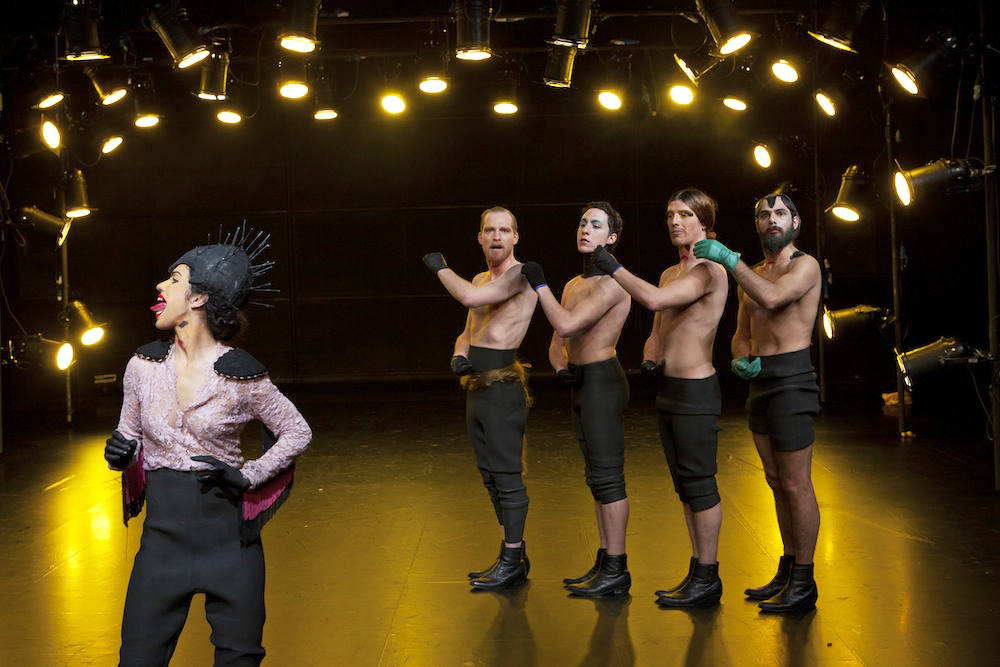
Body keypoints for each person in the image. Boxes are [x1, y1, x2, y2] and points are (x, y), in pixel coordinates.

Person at [105, 228, 312, 665]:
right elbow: (129, 434)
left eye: (174, 279)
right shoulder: (142, 366)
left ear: (198, 298)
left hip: (229, 547)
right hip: (161, 546)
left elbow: (296, 432)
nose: (161, 286)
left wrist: (249, 474)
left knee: (239, 658)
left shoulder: (241, 375)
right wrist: (121, 452)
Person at [591, 188, 729, 607]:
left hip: (696, 391)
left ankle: (709, 575)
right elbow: (657, 327)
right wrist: (651, 357)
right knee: (685, 488)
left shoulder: (709, 270)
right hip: (670, 390)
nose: (675, 222)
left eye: (685, 214)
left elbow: (652, 298)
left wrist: (613, 267)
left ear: (704, 222)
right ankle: (698, 570)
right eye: (670, 214)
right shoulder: (671, 271)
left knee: (701, 487)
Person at [693, 193, 822, 613]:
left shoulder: (804, 265)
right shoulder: (752, 274)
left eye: (780, 213)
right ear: (758, 224)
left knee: (796, 483)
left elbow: (773, 298)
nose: (772, 219)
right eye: (764, 214)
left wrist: (730, 261)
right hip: (762, 382)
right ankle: (788, 568)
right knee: (775, 480)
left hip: (793, 380)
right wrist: (739, 356)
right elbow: (742, 332)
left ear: (795, 223)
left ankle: (805, 580)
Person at [519, 201, 632, 597]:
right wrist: (560, 366)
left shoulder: (614, 284)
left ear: (611, 238)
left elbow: (566, 323)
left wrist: (539, 286)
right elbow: (558, 342)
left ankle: (617, 567)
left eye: (596, 225)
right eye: (583, 222)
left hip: (604, 382)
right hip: (583, 382)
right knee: (595, 478)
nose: (585, 229)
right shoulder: (572, 285)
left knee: (609, 477)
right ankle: (605, 561)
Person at [422, 206, 538, 590]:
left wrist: (441, 268)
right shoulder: (479, 278)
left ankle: (512, 559)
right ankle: (512, 555)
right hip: (478, 388)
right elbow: (468, 330)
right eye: (490, 230)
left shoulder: (522, 275)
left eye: (504, 230)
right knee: (490, 477)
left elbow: (471, 299)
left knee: (507, 476)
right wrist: (459, 355)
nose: (496, 236)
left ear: (515, 237)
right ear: (480, 237)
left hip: (504, 390)